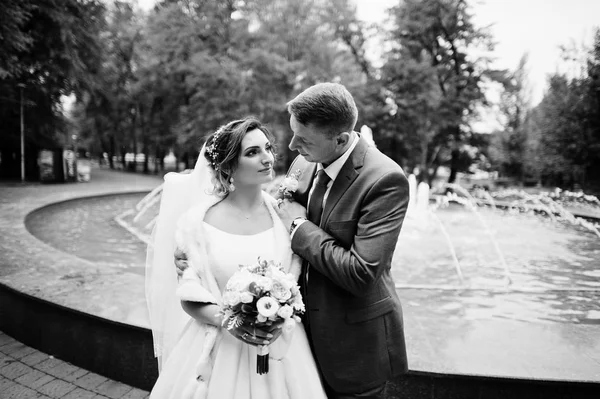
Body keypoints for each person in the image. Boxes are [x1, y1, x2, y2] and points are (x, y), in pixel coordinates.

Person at [146, 117, 327, 399]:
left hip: (283, 351)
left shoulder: (287, 216)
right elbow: (188, 297)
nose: (267, 158)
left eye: (267, 148)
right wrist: (235, 323)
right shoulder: (195, 224)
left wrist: (279, 314)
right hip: (220, 350)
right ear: (228, 166)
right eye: (252, 152)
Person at [275, 82, 410, 399]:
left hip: (354, 345)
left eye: (304, 139)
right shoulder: (304, 162)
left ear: (341, 139)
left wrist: (297, 225)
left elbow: (361, 273)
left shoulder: (385, 180)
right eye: (294, 133)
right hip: (299, 341)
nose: (293, 146)